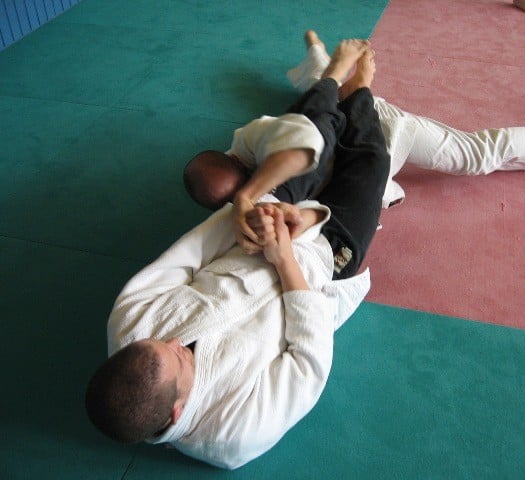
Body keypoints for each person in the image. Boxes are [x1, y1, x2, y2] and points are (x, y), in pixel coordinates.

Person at [85, 39, 390, 470]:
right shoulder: (234, 434)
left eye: (156, 341)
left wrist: (249, 217)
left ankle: (330, 80)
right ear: (177, 412)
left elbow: (190, 254)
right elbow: (310, 359)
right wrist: (286, 260)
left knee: (310, 146)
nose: (174, 340)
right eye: (179, 355)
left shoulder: (129, 324)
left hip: (255, 231)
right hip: (319, 265)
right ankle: (359, 94)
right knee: (372, 163)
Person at [185, 30, 525, 216]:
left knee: (473, 156)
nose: (245, 197)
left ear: (238, 163)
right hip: (347, 119)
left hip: (382, 127)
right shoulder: (251, 181)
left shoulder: (262, 146)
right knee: (323, 92)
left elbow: (318, 126)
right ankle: (317, 55)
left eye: (242, 190)